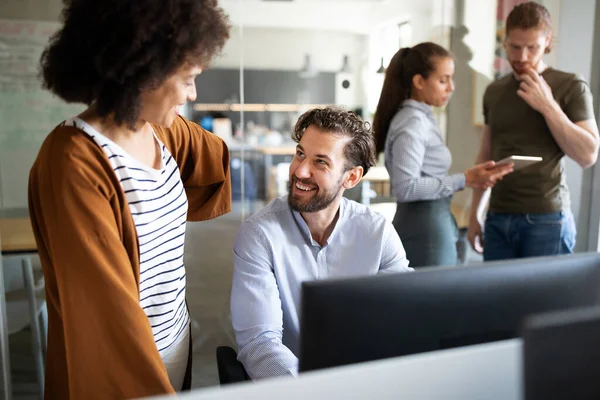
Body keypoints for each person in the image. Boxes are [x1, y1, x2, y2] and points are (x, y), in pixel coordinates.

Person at [28, 0, 231, 398]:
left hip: (176, 337)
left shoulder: (163, 132)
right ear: (143, 71)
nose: (192, 94)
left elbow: (217, 160)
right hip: (125, 366)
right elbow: (106, 315)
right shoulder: (74, 161)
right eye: (188, 78)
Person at [230, 107, 412, 380]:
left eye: (320, 162)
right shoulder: (260, 234)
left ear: (351, 177)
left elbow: (404, 320)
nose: (300, 171)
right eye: (300, 154)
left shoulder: (378, 233)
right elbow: (259, 343)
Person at [467, 2, 599, 261]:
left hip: (547, 220)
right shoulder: (494, 90)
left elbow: (588, 155)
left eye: (532, 48)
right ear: (504, 42)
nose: (523, 57)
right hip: (497, 217)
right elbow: (485, 156)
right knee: (497, 300)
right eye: (515, 47)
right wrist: (475, 215)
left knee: (545, 301)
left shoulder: (571, 85)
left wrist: (548, 106)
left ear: (547, 41)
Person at [373, 42, 513, 268]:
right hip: (424, 228)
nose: (451, 87)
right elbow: (406, 187)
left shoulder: (421, 117)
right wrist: (465, 179)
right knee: (432, 300)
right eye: (443, 79)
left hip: (431, 222)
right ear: (419, 82)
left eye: (451, 78)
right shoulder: (413, 122)